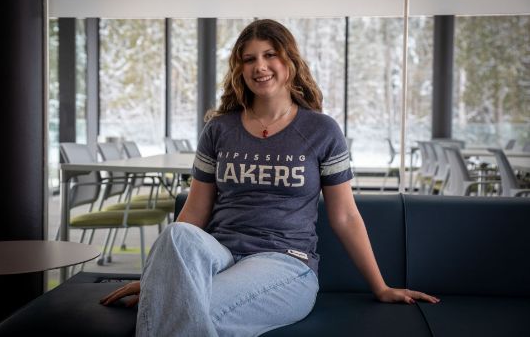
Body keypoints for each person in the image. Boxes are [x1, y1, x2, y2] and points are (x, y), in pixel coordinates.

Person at [100, 19, 439, 336]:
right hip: (219, 254)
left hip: (284, 264)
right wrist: (159, 277)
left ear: (289, 61)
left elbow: (345, 216)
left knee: (188, 309)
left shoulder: (321, 130)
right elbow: (195, 212)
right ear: (239, 69)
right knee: (176, 235)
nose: (259, 67)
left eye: (269, 55)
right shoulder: (219, 128)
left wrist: (380, 287)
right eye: (249, 59)